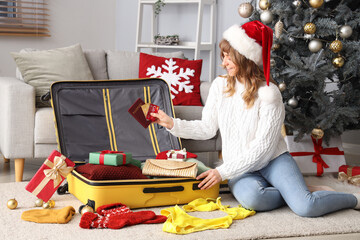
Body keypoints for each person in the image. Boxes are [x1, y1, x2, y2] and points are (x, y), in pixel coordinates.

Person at [151, 20, 360, 217]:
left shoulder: (269, 93)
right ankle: (295, 190)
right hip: (239, 164)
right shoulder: (219, 86)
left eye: (228, 57)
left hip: (273, 160)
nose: (223, 63)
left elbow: (263, 150)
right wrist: (172, 124)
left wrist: (221, 172)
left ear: (244, 56)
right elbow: (208, 128)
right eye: (222, 56)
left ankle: (352, 199)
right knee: (253, 199)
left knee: (306, 207)